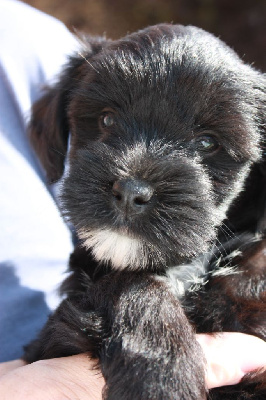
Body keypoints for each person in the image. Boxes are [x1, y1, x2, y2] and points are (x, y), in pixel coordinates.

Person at [0, 1, 265, 398]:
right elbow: (50, 356)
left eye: (207, 143)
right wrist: (130, 303)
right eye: (107, 122)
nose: (133, 186)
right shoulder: (93, 283)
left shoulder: (26, 42)